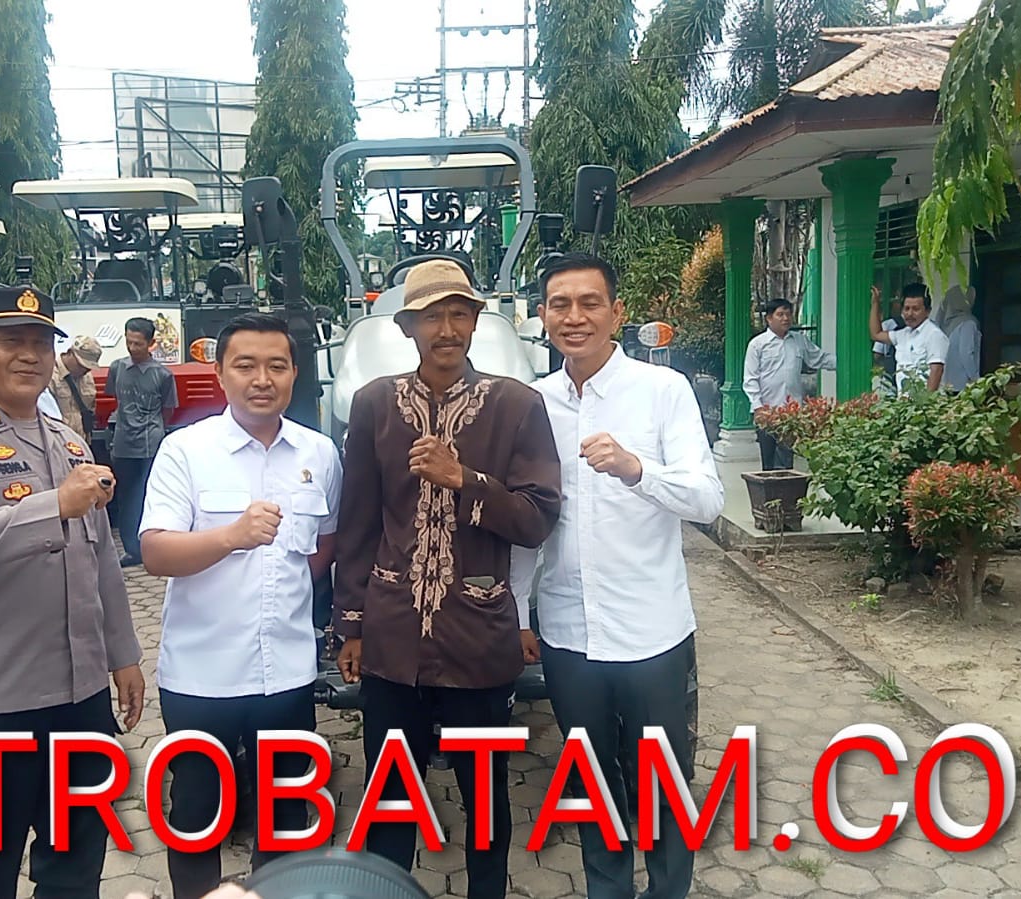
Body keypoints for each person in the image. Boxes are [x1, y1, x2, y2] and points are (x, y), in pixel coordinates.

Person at [332, 259, 562, 899]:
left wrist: (466, 481)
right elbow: (357, 524)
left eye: (460, 313)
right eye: (432, 316)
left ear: (477, 322)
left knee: (485, 797)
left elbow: (538, 518)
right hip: (392, 637)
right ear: (407, 327)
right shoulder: (374, 403)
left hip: (477, 637)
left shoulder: (516, 406)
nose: (447, 328)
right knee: (390, 796)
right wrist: (351, 625)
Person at [0, 286, 145, 899]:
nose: (30, 356)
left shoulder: (68, 442)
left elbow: (101, 558)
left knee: (76, 871)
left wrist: (123, 654)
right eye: (11, 341)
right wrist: (53, 506)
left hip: (79, 703)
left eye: (40, 343)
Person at [510, 253, 724, 899]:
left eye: (589, 302)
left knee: (661, 784)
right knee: (591, 784)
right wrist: (518, 614)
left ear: (616, 312)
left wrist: (636, 469)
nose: (574, 317)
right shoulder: (533, 404)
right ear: (542, 316)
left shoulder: (662, 391)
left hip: (650, 631)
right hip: (568, 633)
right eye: (560, 304)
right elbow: (527, 519)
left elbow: (707, 501)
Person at [139, 313, 341, 898]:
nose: (262, 379)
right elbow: (155, 552)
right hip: (202, 675)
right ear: (220, 374)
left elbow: (324, 544)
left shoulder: (319, 453)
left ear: (295, 374)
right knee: (197, 816)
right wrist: (231, 536)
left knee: (286, 818)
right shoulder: (186, 450)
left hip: (288, 673)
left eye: (276, 366)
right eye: (245, 365)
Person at [106, 317, 179, 567]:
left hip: (150, 442)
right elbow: (115, 399)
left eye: (138, 343)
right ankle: (131, 550)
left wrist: (152, 428)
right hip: (123, 441)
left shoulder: (163, 374)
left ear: (151, 343)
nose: (132, 348)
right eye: (129, 342)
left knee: (151, 494)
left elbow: (168, 409)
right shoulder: (117, 367)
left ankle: (154, 545)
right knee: (126, 497)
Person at [742, 298, 838, 470]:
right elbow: (750, 379)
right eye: (780, 314)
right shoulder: (757, 344)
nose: (785, 318)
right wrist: (758, 407)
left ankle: (784, 486)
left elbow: (820, 358)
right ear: (769, 318)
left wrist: (848, 362)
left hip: (791, 412)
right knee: (769, 460)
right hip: (767, 411)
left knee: (786, 459)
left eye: (788, 314)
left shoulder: (799, 341)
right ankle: (770, 486)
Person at [870, 282, 948, 394]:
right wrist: (875, 303)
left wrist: (926, 402)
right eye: (906, 309)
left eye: (916, 309)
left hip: (923, 402)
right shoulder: (902, 334)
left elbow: (936, 371)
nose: (910, 314)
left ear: (928, 311)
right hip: (904, 401)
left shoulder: (934, 335)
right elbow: (876, 334)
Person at [51, 335, 103, 440]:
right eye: (81, 365)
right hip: (58, 440)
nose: (85, 370)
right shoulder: (50, 376)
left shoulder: (87, 377)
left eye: (88, 368)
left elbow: (91, 408)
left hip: (81, 440)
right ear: (70, 353)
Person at [932, 285, 982, 392]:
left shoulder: (945, 324)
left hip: (947, 383)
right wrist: (976, 379)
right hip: (964, 385)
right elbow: (966, 354)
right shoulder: (968, 323)